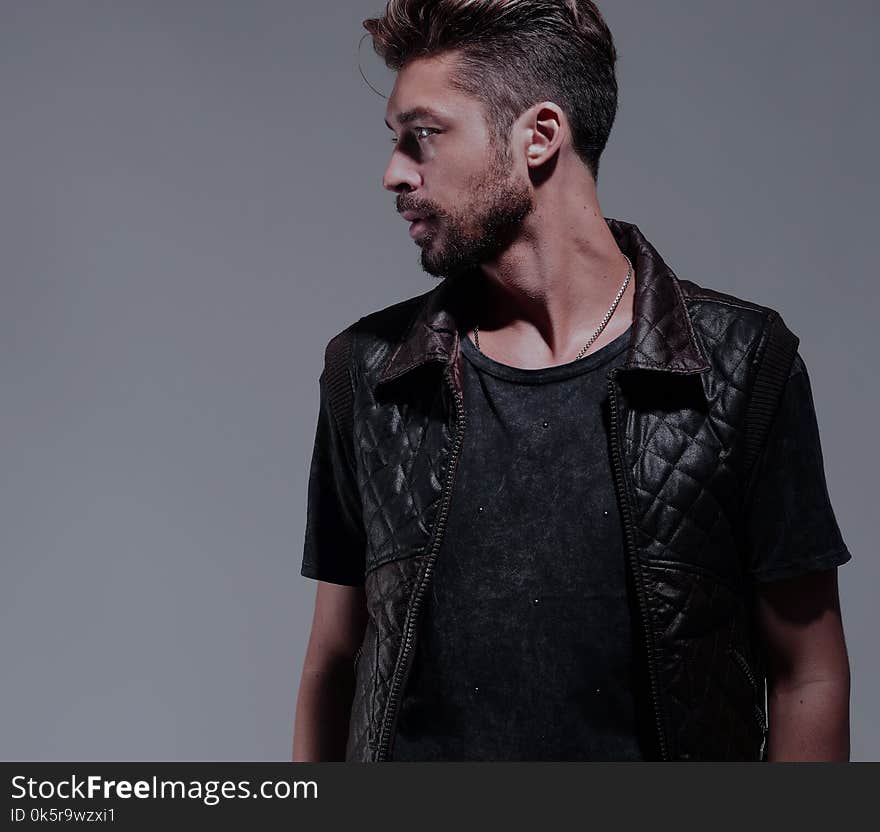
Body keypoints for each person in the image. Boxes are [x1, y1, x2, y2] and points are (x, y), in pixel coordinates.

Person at [292, 0, 852, 762]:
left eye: (421, 136)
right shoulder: (370, 371)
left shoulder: (743, 364)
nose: (394, 172)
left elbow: (807, 673)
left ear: (540, 136)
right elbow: (334, 660)